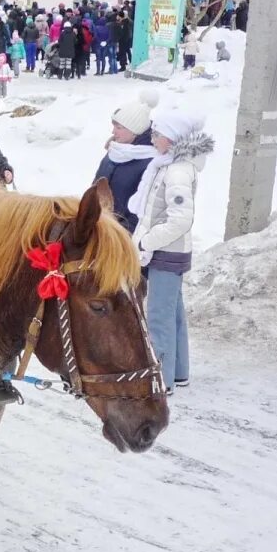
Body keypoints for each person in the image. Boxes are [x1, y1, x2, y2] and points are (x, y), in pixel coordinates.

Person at [129, 109, 213, 394]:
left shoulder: (177, 170)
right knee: (173, 313)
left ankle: (160, 379)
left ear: (172, 138)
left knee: (158, 316)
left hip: (166, 252)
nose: (152, 138)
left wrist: (147, 241)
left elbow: (180, 219)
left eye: (157, 134)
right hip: (168, 251)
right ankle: (178, 372)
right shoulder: (168, 164)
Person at [94, 90, 159, 232]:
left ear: (135, 130)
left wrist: (121, 234)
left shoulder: (150, 163)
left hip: (121, 236)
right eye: (113, 126)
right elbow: (95, 188)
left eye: (119, 128)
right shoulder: (114, 151)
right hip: (99, 227)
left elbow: (143, 210)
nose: (113, 132)